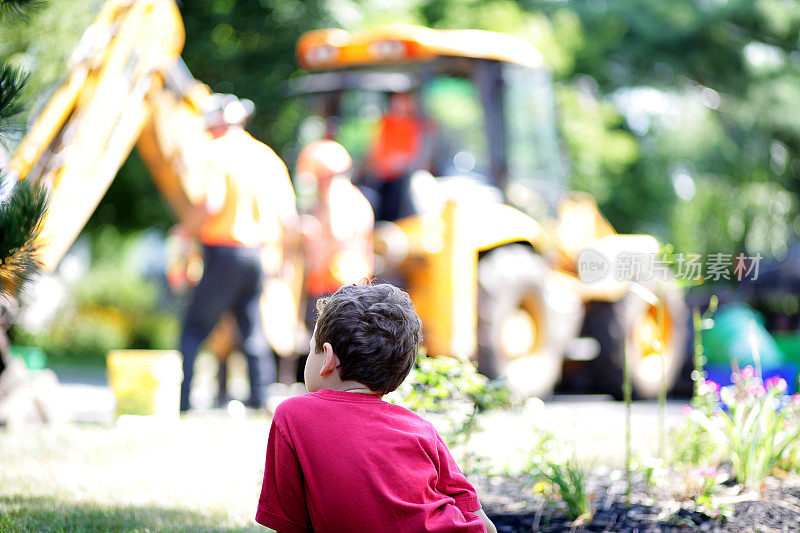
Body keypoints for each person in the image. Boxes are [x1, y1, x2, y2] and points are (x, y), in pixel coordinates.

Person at [255, 283, 497, 533]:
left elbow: (289, 526)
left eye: (310, 348)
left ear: (326, 357)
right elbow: (480, 520)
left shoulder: (293, 416)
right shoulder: (421, 429)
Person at [173, 93, 297, 411]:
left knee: (194, 328)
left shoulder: (215, 153)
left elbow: (211, 203)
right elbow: (288, 219)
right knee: (252, 329)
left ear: (214, 123)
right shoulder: (267, 156)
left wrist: (184, 230)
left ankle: (182, 400)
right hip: (258, 257)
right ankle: (259, 398)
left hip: (224, 252)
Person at [363, 92, 432, 221]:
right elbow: (375, 150)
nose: (399, 106)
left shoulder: (417, 126)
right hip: (383, 177)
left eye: (403, 101)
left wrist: (400, 162)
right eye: (397, 101)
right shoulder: (385, 123)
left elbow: (419, 156)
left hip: (404, 178)